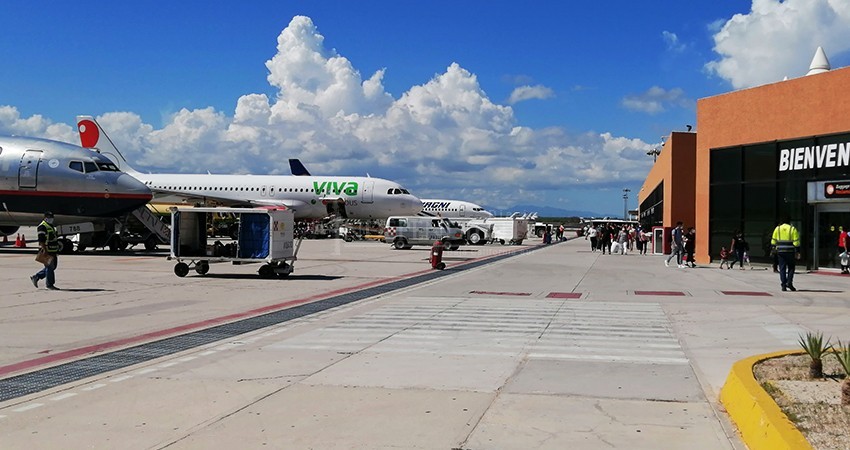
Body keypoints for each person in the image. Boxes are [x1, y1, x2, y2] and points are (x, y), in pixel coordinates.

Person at [30, 211, 60, 290]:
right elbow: (41, 240)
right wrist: (44, 250)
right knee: (50, 267)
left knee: (53, 267)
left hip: (53, 250)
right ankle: (50, 285)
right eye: (49, 218)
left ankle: (36, 276)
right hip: (46, 250)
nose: (51, 219)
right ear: (45, 218)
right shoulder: (42, 226)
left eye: (52, 218)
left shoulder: (50, 226)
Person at [771, 215, 800, 292]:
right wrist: (797, 251)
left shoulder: (777, 228)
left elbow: (773, 241)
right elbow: (796, 242)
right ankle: (789, 282)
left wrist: (774, 248)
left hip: (780, 251)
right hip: (790, 251)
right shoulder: (792, 229)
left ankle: (783, 285)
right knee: (791, 267)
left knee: (782, 268)